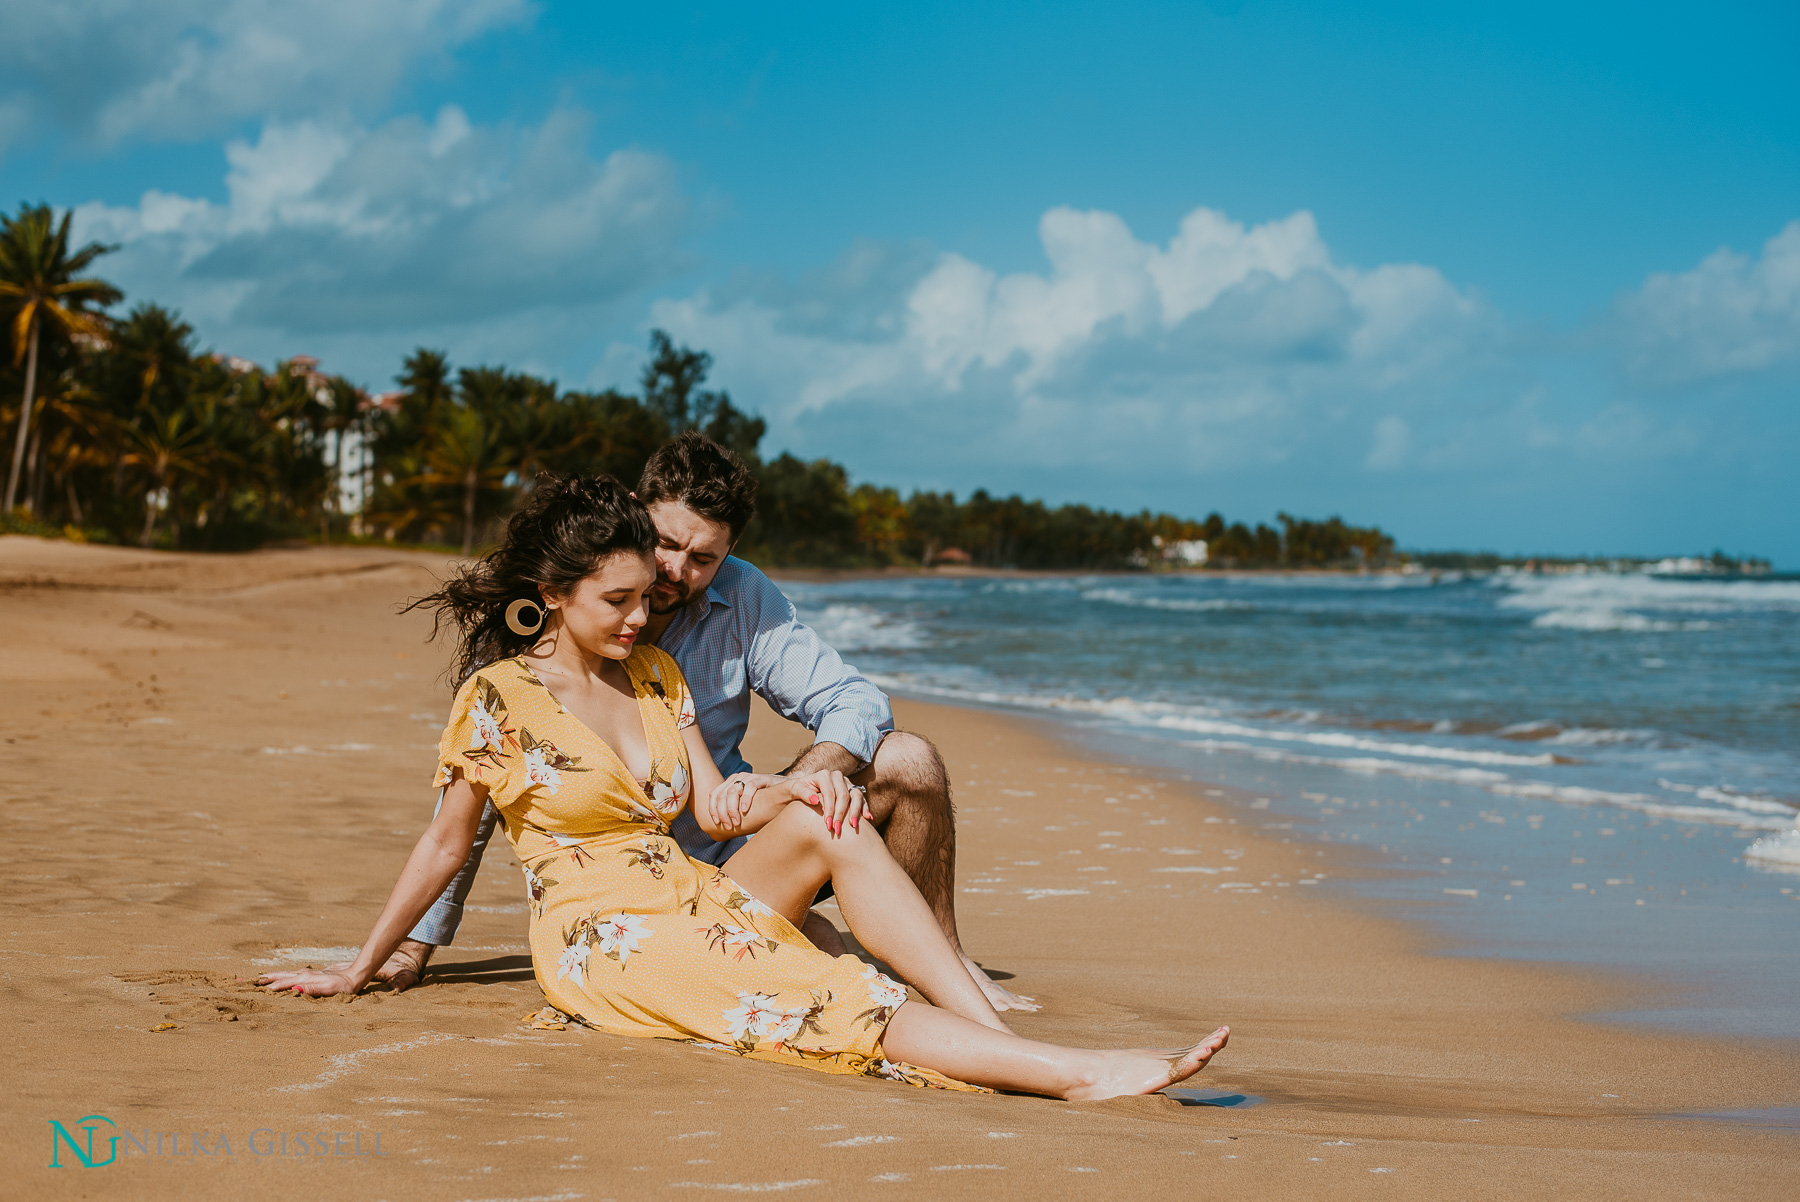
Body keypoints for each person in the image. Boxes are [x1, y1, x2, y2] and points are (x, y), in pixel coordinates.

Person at [256, 474, 1230, 1098]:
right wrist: (372, 960)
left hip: (692, 883)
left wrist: (802, 794)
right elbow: (443, 841)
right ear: (553, 594)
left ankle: (983, 1028)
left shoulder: (654, 677)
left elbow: (716, 802)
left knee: (835, 818)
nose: (647, 613)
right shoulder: (499, 696)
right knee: (829, 996)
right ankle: (1068, 1073)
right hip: (605, 931)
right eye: (620, 599)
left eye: (652, 595)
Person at [377, 432, 1035, 1011]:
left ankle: (947, 965)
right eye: (666, 544)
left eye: (704, 558)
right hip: (637, 891)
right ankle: (834, 946)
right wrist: (413, 945)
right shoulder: (545, 634)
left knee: (909, 758)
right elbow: (467, 815)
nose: (676, 572)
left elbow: (855, 702)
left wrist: (799, 782)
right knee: (824, 950)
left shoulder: (745, 596)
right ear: (638, 513)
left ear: (731, 552)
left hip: (740, 840)